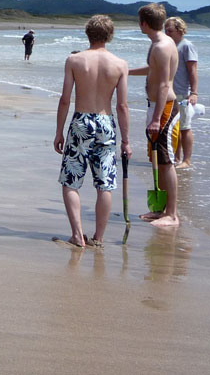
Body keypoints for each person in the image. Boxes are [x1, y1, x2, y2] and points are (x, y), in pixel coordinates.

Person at [53, 15, 131, 249]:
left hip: (81, 122)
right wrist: (126, 140)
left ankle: (77, 235)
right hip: (106, 123)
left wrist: (59, 131)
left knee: (71, 181)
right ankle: (99, 237)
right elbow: (122, 106)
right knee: (104, 184)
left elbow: (65, 99)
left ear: (87, 34)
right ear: (110, 36)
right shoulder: (120, 64)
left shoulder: (74, 60)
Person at [129, 3, 180, 227]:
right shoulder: (158, 44)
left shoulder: (161, 46)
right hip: (156, 106)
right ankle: (160, 210)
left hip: (165, 107)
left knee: (166, 161)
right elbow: (153, 70)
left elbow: (162, 85)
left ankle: (172, 214)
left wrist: (157, 118)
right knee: (157, 160)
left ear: (144, 23)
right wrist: (126, 71)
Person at [164, 17, 199, 169]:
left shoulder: (186, 46)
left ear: (179, 30)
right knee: (173, 128)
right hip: (170, 93)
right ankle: (176, 157)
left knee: (185, 127)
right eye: (165, 30)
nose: (167, 33)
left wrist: (194, 92)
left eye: (170, 31)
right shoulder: (168, 46)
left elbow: (193, 71)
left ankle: (187, 160)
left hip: (182, 94)